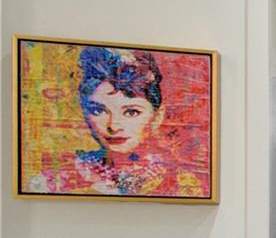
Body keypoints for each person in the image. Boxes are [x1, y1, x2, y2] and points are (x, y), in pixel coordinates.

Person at [29, 46, 202, 197]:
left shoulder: (185, 185)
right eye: (98, 111)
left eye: (131, 112)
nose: (113, 126)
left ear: (157, 116)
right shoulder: (52, 181)